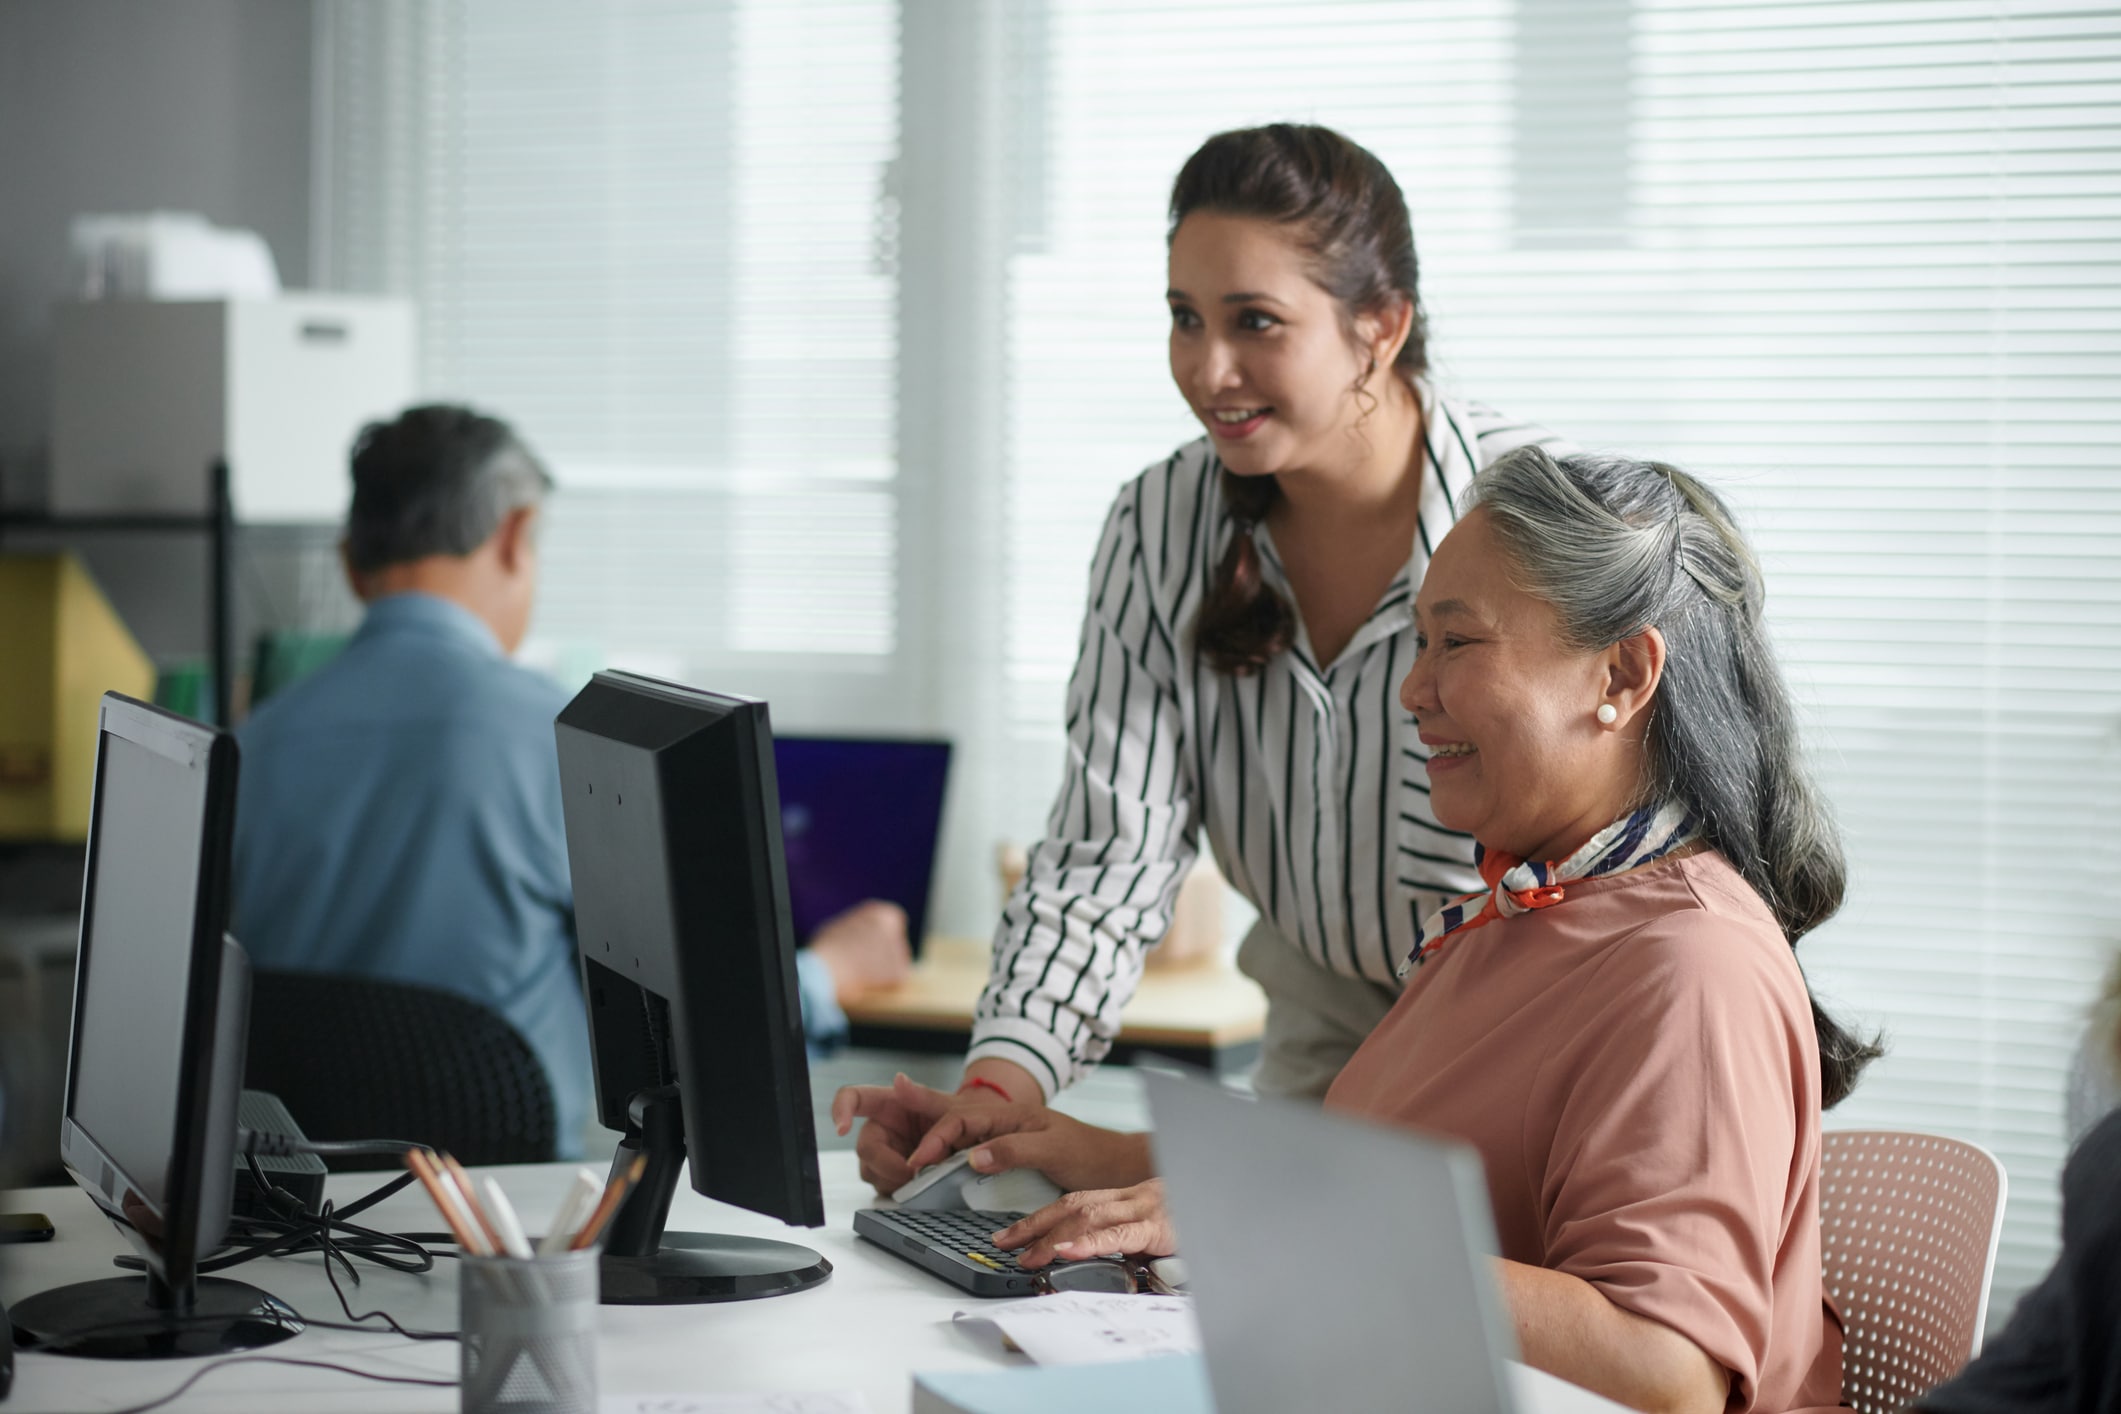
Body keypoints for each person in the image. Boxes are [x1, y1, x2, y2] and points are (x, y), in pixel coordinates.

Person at [889, 447, 1878, 1414]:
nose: (1413, 689)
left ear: (1620, 674)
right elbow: (1370, 1198)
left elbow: (1667, 1375)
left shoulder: (1690, 963)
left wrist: (1283, 1227)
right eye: (1418, 642)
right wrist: (1074, 1150)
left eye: (1458, 643)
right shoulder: (1526, 906)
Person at [838, 122, 1569, 1191]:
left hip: (1530, 1035)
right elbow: (1105, 861)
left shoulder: (1539, 520)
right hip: (1327, 1034)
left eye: (1254, 322)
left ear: (1379, 327)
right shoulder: (1160, 525)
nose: (1207, 368)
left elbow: (1635, 867)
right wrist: (994, 1093)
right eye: (1185, 317)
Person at [233, 404, 909, 1159]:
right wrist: (832, 972)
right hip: (509, 1208)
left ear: (351, 560)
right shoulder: (563, 738)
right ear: (516, 535)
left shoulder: (250, 744)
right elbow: (702, 1021)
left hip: (297, 1203)